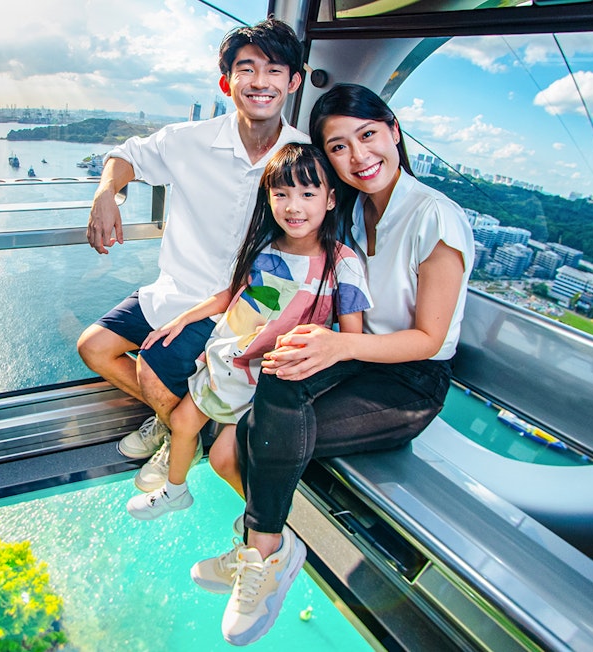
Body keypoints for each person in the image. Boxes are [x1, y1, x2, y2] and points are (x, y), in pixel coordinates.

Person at [192, 83, 475, 646]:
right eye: (339, 147)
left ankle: (265, 550)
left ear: (394, 130)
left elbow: (429, 339)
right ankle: (269, 545)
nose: (359, 157)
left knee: (248, 435)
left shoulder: (435, 217)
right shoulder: (356, 210)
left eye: (368, 136)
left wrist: (339, 345)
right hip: (359, 357)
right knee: (280, 368)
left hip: (409, 382)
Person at [76, 18, 308, 486]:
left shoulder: (304, 157)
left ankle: (177, 431)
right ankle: (175, 424)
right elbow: (126, 156)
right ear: (227, 82)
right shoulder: (190, 141)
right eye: (247, 69)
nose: (260, 82)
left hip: (244, 305)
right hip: (176, 288)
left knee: (152, 371)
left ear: (294, 82)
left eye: (274, 70)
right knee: (95, 348)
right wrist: (105, 194)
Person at [125, 143, 371, 520]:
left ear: (331, 199)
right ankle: (177, 491)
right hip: (229, 361)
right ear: (268, 198)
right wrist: (182, 319)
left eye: (308, 193)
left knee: (223, 457)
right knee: (183, 423)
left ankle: (263, 523)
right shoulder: (266, 248)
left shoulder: (342, 264)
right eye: (281, 194)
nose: (294, 206)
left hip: (269, 378)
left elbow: (350, 340)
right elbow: (234, 296)